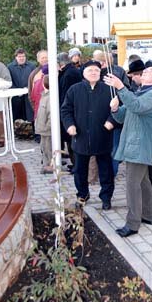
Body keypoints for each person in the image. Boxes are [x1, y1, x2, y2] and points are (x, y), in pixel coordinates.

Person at [104, 65, 152, 237]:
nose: (144, 73)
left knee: (132, 185)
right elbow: (123, 115)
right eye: (144, 72)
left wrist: (120, 88)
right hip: (135, 145)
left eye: (149, 72)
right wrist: (115, 109)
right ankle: (148, 215)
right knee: (143, 182)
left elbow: (136, 106)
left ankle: (132, 224)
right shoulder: (141, 92)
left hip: (140, 146)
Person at [61, 60, 115, 210]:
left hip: (102, 135)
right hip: (81, 137)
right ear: (83, 73)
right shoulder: (74, 89)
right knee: (79, 171)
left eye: (96, 70)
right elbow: (66, 110)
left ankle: (106, 197)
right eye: (90, 70)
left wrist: (112, 121)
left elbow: (118, 109)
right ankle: (82, 195)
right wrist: (70, 125)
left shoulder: (108, 90)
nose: (93, 73)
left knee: (106, 171)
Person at [57, 52, 82, 169]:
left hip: (70, 110)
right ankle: (75, 164)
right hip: (73, 108)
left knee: (71, 139)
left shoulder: (68, 74)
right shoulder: (70, 71)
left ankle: (76, 165)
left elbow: (65, 94)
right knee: (70, 139)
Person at [8, 48, 35, 122]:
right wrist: (16, 91)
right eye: (19, 56)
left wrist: (27, 88)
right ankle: (16, 131)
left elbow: (34, 79)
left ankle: (31, 131)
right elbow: (9, 81)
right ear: (16, 57)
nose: (21, 58)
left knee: (30, 115)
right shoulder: (10, 67)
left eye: (23, 56)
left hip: (28, 94)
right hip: (15, 96)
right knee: (15, 115)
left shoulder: (31, 66)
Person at [34, 74, 52, 174]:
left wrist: (47, 127)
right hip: (43, 129)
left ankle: (50, 166)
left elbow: (50, 116)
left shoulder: (49, 98)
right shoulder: (44, 95)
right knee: (44, 148)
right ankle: (46, 164)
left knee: (48, 149)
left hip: (47, 130)